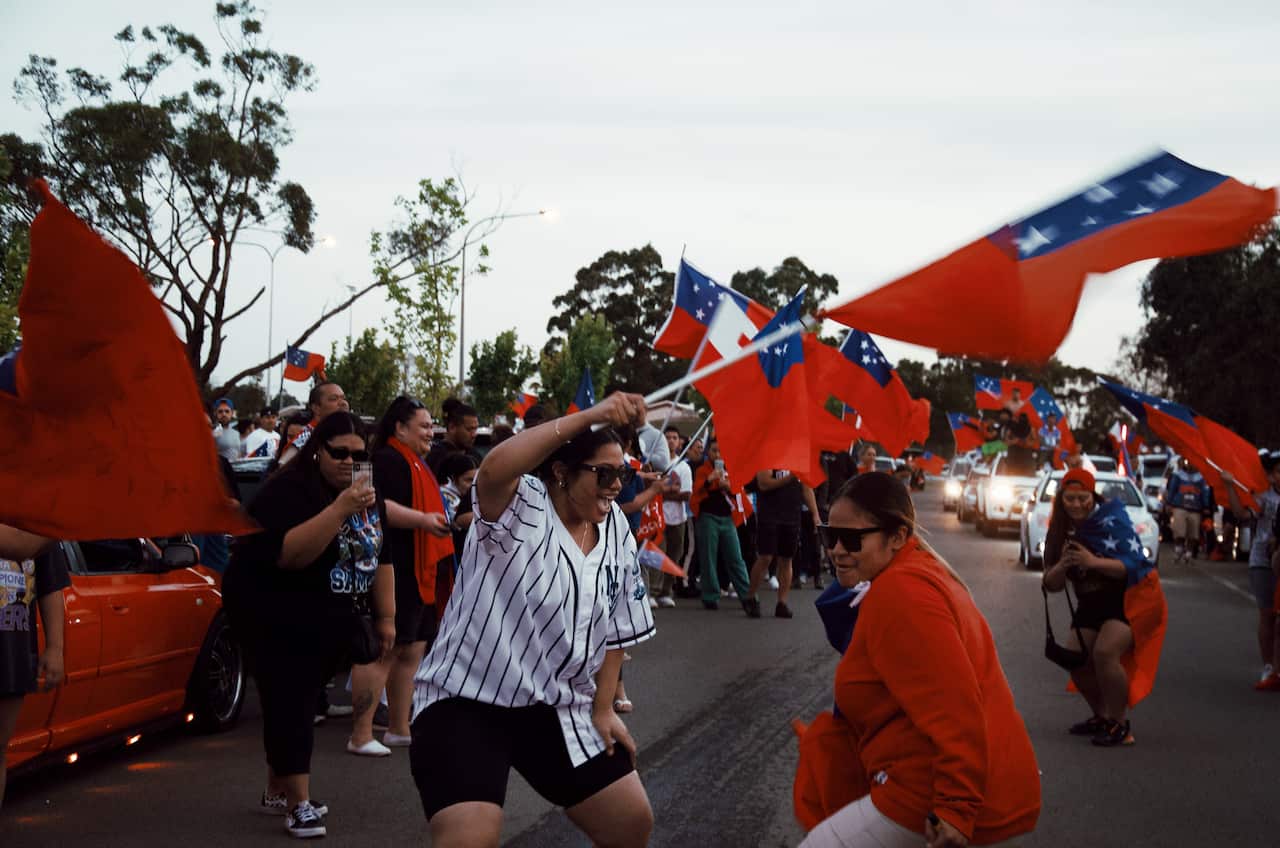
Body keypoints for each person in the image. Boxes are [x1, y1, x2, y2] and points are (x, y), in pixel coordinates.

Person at [408, 393, 656, 848]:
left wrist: (602, 710)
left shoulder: (616, 525)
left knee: (630, 821)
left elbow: (621, 625)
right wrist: (595, 415)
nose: (615, 486)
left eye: (621, 473)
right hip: (468, 702)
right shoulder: (519, 504)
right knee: (469, 840)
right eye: (603, 473)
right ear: (561, 472)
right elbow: (496, 466)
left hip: (555, 706)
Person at [796, 473, 1040, 847]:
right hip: (922, 785)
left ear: (897, 537)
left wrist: (955, 807)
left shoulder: (902, 593)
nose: (837, 550)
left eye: (853, 539)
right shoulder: (908, 575)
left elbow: (955, 707)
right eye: (830, 536)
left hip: (922, 794)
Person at [222, 411, 394, 838]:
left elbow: (381, 553)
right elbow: (290, 555)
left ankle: (278, 788)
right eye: (339, 453)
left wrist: (386, 616)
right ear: (317, 450)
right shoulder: (287, 492)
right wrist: (340, 508)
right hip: (269, 606)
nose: (348, 462)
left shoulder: (368, 495)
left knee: (292, 698)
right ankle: (298, 805)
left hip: (324, 608)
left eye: (358, 455)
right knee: (292, 697)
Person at [347, 397, 454, 757]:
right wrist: (424, 521)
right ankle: (361, 734)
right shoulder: (385, 460)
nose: (430, 432)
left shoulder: (419, 463)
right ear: (399, 428)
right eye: (423, 426)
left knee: (412, 649)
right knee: (384, 649)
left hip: (418, 568)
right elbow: (374, 506)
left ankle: (398, 727)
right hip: (390, 566)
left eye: (431, 425)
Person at [1042, 468, 1166, 746]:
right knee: (1074, 659)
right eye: (1070, 498)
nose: (1076, 504)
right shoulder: (1060, 529)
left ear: (1092, 496)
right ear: (1061, 498)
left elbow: (1134, 566)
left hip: (1128, 600)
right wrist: (1063, 565)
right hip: (1090, 602)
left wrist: (1092, 562)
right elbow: (1050, 584)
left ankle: (1121, 725)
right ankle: (1102, 716)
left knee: (1105, 653)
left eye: (1082, 498)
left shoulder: (1112, 520)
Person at [0, 527, 65, 810]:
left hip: (11, 655)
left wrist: (55, 648)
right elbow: (19, 544)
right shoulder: (36, 526)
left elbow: (50, 587)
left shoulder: (32, 516)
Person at [1220, 453, 1280, 688]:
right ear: (1271, 476)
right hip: (1263, 562)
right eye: (1278, 471)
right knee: (1268, 615)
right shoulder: (1264, 499)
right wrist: (1230, 487)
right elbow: (1242, 515)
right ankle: (1269, 667)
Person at [690, 440, 757, 614]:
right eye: (714, 451)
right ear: (708, 452)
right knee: (708, 557)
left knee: (736, 558)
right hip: (708, 517)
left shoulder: (731, 470)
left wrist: (729, 487)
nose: (717, 455)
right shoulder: (702, 470)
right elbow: (696, 491)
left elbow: (740, 494)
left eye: (721, 451)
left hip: (727, 519)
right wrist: (709, 481)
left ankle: (747, 596)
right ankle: (710, 595)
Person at [749, 469, 819, 619]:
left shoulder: (798, 460)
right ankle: (751, 596)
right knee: (766, 557)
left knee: (787, 559)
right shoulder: (769, 458)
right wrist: (789, 478)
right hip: (769, 515)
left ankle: (782, 603)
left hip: (791, 515)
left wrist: (815, 514)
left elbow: (807, 489)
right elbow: (763, 484)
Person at [653, 426, 692, 608]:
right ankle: (653, 590)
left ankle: (666, 592)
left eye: (674, 437)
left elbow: (686, 494)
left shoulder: (683, 466)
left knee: (674, 554)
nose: (670, 440)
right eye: (667, 437)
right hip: (657, 517)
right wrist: (666, 491)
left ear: (680, 441)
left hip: (678, 518)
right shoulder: (655, 464)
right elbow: (651, 491)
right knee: (657, 554)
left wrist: (662, 492)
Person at [279, 382, 350, 465]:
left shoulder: (353, 432)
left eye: (343, 398)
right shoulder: (305, 439)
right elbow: (283, 468)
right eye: (334, 399)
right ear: (316, 408)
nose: (343, 403)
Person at [1163, 457, 1211, 561]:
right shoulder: (1178, 475)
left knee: (1193, 533)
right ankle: (1178, 549)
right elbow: (1172, 490)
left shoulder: (1201, 478)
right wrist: (1169, 503)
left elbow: (1205, 492)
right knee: (1179, 530)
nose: (1190, 464)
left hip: (1195, 508)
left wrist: (1206, 506)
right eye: (1189, 462)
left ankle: (1189, 551)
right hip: (1180, 506)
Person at [427, 399, 482, 477]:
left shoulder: (476, 456)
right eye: (469, 429)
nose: (474, 434)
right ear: (452, 427)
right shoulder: (435, 458)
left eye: (475, 429)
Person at [439, 452, 479, 554]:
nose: (473, 485)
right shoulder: (444, 495)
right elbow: (457, 524)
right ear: (453, 478)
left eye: (476, 480)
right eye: (468, 480)